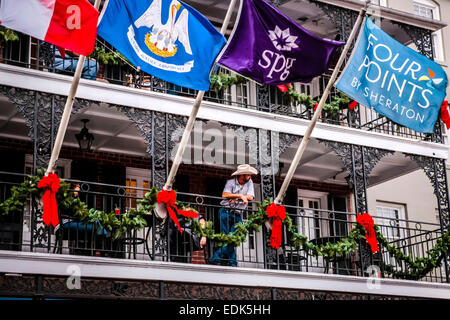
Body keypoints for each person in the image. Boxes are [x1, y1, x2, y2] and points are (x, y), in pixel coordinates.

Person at [209, 164, 258, 266]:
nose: (250, 177)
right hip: (225, 212)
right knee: (227, 237)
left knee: (234, 237)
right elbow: (225, 195)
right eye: (248, 175)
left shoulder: (249, 183)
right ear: (242, 175)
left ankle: (216, 257)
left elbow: (250, 197)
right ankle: (232, 262)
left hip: (238, 214)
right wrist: (239, 195)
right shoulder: (230, 183)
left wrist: (238, 198)